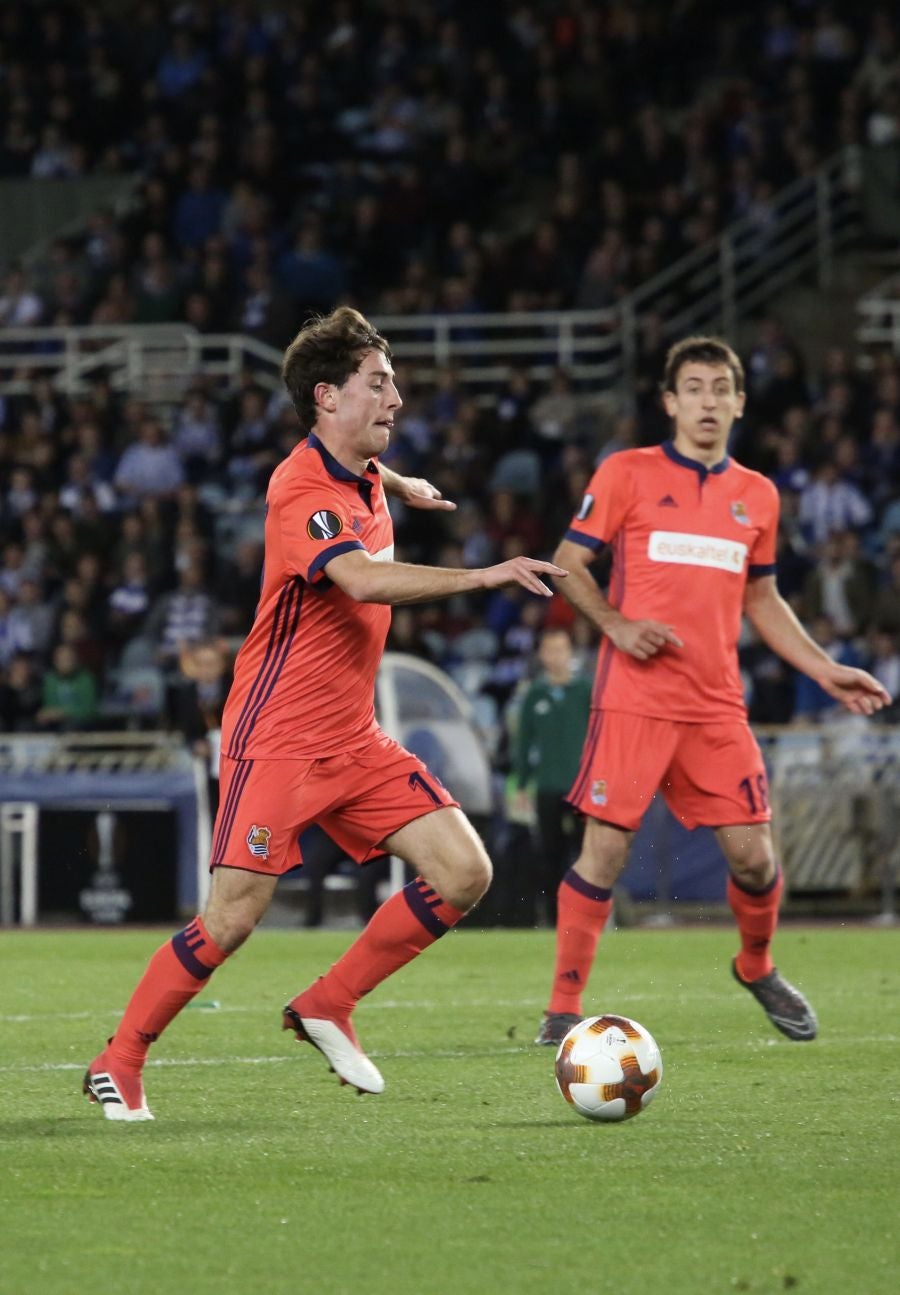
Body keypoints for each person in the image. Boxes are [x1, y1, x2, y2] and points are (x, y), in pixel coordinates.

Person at [84, 305, 564, 1121]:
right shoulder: (298, 489)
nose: (397, 398)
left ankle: (327, 1004)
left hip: (352, 736)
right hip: (276, 739)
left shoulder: (363, 472)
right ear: (325, 397)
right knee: (231, 920)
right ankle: (118, 1059)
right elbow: (364, 580)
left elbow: (369, 483)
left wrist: (403, 481)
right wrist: (484, 574)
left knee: (465, 872)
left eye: (395, 382)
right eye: (378, 384)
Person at [535, 335, 891, 1048]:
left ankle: (756, 965)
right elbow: (566, 563)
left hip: (714, 705)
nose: (706, 401)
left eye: (719, 388)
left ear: (739, 401)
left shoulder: (756, 495)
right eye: (692, 387)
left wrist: (823, 668)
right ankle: (562, 1009)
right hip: (632, 698)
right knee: (603, 852)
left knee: (756, 858)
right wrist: (616, 623)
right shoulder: (625, 472)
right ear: (669, 402)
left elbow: (762, 598)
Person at [509, 627, 592, 924]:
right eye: (550, 650)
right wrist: (521, 785)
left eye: (562, 649)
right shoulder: (534, 694)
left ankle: (587, 916)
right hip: (547, 787)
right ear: (542, 655)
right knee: (550, 855)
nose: (556, 656)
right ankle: (557, 918)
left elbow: (600, 737)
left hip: (583, 788)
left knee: (587, 855)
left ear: (571, 654)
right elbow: (524, 742)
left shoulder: (585, 691)